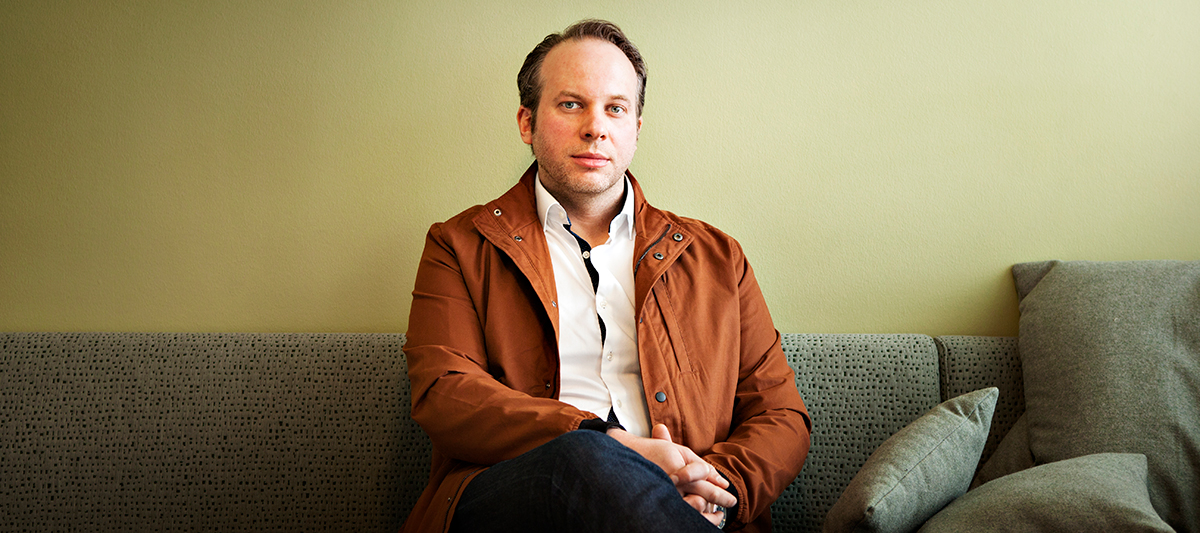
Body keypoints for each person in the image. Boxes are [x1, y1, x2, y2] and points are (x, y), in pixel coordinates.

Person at [402, 19, 810, 533]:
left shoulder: (718, 258)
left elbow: (781, 415)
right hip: (519, 497)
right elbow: (445, 392)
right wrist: (610, 444)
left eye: (615, 108)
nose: (596, 127)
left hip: (689, 507)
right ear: (527, 123)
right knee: (581, 459)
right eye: (572, 104)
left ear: (635, 128)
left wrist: (712, 488)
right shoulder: (460, 245)